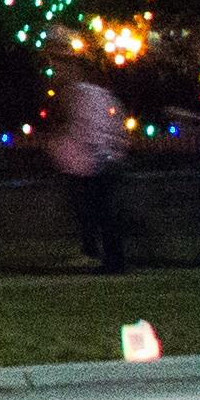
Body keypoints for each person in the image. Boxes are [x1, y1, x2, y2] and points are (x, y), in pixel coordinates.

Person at [50, 60, 135, 272]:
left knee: (95, 212)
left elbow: (87, 131)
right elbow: (117, 122)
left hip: (91, 163)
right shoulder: (103, 95)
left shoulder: (79, 95)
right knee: (103, 213)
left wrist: (68, 152)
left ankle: (103, 257)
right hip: (106, 159)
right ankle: (107, 257)